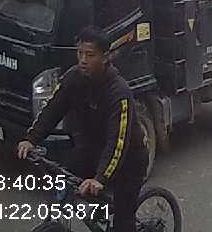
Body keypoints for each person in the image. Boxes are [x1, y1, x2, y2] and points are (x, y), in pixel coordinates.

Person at [16, 27, 147, 232]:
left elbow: (117, 142)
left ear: (105, 57)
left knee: (123, 220)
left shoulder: (119, 92)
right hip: (92, 150)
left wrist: (100, 179)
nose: (83, 60)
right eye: (80, 53)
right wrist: (31, 139)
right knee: (63, 185)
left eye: (90, 55)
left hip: (128, 161)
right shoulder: (73, 78)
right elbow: (52, 109)